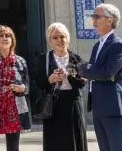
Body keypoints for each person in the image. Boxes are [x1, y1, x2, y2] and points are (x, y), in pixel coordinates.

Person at [78, 3, 122, 151]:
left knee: (118, 147)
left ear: (110, 20)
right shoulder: (97, 45)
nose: (93, 19)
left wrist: (85, 68)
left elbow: (107, 73)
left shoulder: (118, 45)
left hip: (112, 105)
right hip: (98, 105)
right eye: (93, 16)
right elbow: (94, 72)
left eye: (97, 16)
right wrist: (89, 70)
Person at [0, 25, 34, 151]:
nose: (4, 38)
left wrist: (23, 88)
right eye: (1, 35)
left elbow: (27, 86)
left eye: (8, 36)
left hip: (14, 106)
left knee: (13, 146)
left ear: (12, 40)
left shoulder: (20, 61)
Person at [40, 23, 87, 151]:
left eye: (62, 37)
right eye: (55, 37)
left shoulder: (76, 59)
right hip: (53, 106)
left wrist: (69, 76)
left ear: (68, 38)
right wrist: (49, 79)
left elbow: (82, 82)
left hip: (73, 104)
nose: (59, 40)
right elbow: (37, 83)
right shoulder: (44, 59)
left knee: (75, 140)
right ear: (50, 40)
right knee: (54, 141)